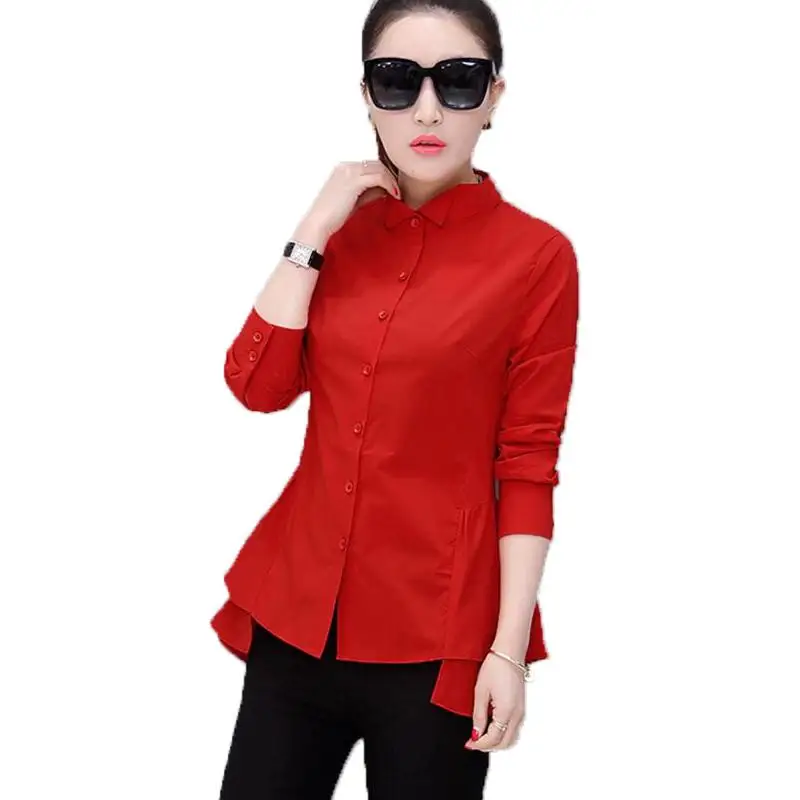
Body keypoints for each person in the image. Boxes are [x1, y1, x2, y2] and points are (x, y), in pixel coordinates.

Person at [212, 0, 580, 797]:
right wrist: (314, 227)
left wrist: (508, 651)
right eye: (397, 80)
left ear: (493, 97)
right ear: (366, 95)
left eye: (458, 81)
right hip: (297, 618)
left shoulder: (537, 258)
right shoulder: (339, 236)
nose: (427, 109)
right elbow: (256, 386)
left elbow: (527, 463)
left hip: (436, 641)